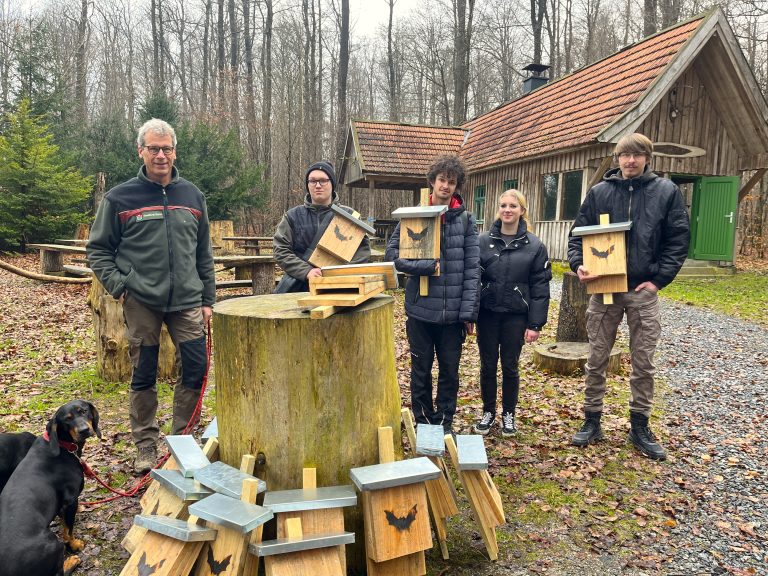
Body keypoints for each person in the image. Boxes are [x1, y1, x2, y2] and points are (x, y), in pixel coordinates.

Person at [87, 118, 215, 474]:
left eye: (167, 148)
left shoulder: (192, 195)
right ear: (140, 151)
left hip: (188, 300)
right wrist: (121, 285)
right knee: (143, 373)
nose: (161, 155)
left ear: (175, 151)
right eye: (154, 148)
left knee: (196, 366)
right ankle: (145, 445)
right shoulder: (120, 197)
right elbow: (98, 251)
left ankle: (182, 440)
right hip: (141, 301)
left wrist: (208, 300)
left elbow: (204, 252)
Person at [567, 133, 689, 460]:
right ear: (617, 158)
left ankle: (639, 426)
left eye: (637, 155)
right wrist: (579, 265)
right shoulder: (600, 193)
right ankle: (592, 420)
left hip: (641, 290)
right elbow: (577, 237)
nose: (630, 161)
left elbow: (678, 239)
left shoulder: (666, 192)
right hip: (605, 289)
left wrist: (659, 279)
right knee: (596, 358)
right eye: (624, 155)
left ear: (647, 157)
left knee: (644, 361)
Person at [386, 154, 480, 434]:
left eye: (452, 182)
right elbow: (392, 255)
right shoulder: (413, 216)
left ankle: (445, 420)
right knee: (421, 369)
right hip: (420, 310)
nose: (446, 186)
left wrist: (468, 313)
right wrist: (423, 266)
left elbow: (473, 269)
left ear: (457, 186)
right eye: (442, 180)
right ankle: (423, 419)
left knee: (449, 371)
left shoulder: (465, 221)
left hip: (452, 315)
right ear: (432, 181)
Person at [473, 190, 551, 437]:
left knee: (510, 366)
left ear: (522, 210)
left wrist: (535, 324)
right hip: (487, 314)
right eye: (503, 205)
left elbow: (540, 287)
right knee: (487, 365)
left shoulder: (535, 246)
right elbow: (472, 279)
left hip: (515, 317)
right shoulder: (482, 241)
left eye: (513, 206)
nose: (507, 210)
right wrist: (469, 315)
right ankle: (488, 411)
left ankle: (508, 413)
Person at [273, 161, 370, 292]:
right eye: (312, 181)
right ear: (308, 185)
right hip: (299, 287)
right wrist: (306, 271)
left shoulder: (350, 216)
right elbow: (281, 250)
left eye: (323, 180)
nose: (318, 185)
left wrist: (338, 274)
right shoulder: (292, 216)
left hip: (340, 289)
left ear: (332, 184)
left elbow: (362, 253)